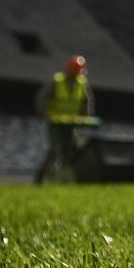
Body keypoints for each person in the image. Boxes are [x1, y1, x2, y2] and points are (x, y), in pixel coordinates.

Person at [34, 54, 94, 183]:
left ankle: (68, 178)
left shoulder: (82, 83)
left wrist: (86, 116)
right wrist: (44, 113)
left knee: (72, 149)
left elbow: (86, 102)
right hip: (55, 122)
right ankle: (41, 178)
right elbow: (42, 99)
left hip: (71, 123)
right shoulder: (57, 81)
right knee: (55, 149)